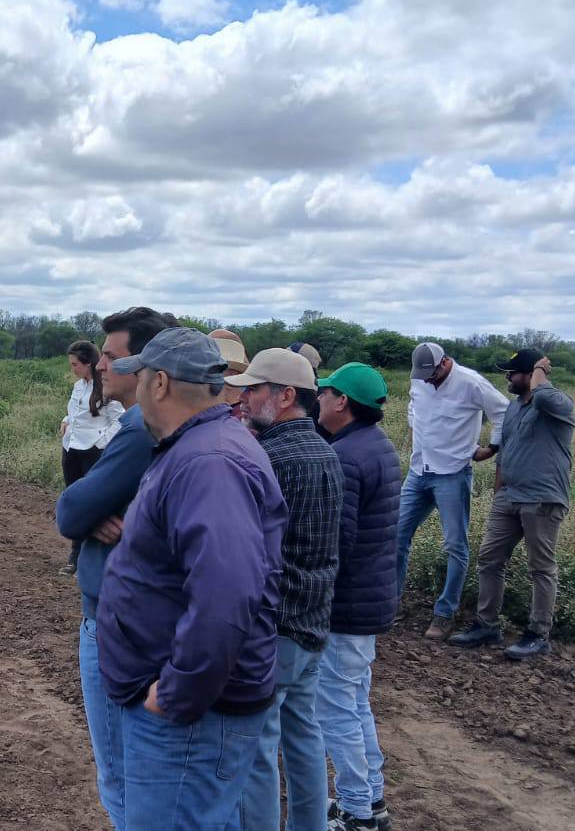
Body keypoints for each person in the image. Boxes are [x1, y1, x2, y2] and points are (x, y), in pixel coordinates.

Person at [97, 327, 288, 829]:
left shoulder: (209, 462)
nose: (134, 388)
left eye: (137, 377)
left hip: (192, 722)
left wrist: (178, 693)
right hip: (195, 716)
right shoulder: (201, 447)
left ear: (158, 383)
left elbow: (226, 598)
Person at [55, 306, 175, 827]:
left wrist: (90, 511)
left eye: (111, 356)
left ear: (146, 368)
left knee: (120, 770)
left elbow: (70, 511)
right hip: (148, 610)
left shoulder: (135, 431)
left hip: (111, 614)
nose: (100, 365)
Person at [229, 349, 341, 831]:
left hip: (276, 626)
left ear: (286, 396)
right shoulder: (327, 451)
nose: (244, 398)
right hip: (315, 620)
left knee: (257, 749)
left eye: (253, 389)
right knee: (304, 740)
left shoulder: (269, 457)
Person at [314, 362, 401, 831]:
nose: (319, 400)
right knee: (353, 702)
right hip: (368, 599)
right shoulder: (375, 446)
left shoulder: (345, 456)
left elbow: (337, 544)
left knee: (336, 709)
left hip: (346, 605)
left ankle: (357, 813)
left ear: (342, 401)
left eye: (325, 393)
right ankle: (370, 799)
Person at [449, 349, 575, 660]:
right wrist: (498, 491)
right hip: (509, 496)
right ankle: (486, 624)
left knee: (540, 567)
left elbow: (544, 395)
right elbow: (506, 449)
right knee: (490, 559)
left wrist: (540, 372)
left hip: (542, 498)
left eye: (514, 372)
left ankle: (538, 634)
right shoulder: (516, 407)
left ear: (532, 375)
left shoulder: (555, 402)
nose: (507, 377)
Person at [397, 341, 508, 639]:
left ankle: (444, 613)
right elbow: (413, 409)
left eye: (432, 373)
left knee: (455, 545)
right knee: (396, 535)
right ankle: (390, 602)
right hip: (419, 471)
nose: (428, 379)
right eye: (423, 375)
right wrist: (414, 436)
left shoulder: (471, 383)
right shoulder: (419, 380)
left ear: (445, 362)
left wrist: (491, 448)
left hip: (452, 474)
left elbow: (503, 412)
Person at [58, 339, 124, 576]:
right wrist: (66, 421)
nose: (72, 368)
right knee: (76, 503)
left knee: (92, 505)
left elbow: (119, 419)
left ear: (88, 364)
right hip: (72, 450)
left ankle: (86, 559)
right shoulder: (79, 387)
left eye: (75, 364)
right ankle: (75, 557)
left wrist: (101, 441)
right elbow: (72, 412)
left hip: (93, 453)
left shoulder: (105, 388)